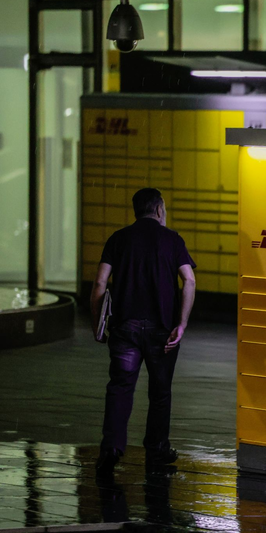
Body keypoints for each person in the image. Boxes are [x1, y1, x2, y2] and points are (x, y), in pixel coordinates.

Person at [91, 188, 196, 474]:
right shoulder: (173, 240)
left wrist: (96, 322)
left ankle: (111, 448)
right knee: (160, 392)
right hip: (162, 330)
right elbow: (189, 281)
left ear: (136, 210)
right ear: (160, 210)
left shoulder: (119, 238)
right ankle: (157, 449)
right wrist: (182, 323)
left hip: (124, 328)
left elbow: (100, 283)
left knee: (120, 387)